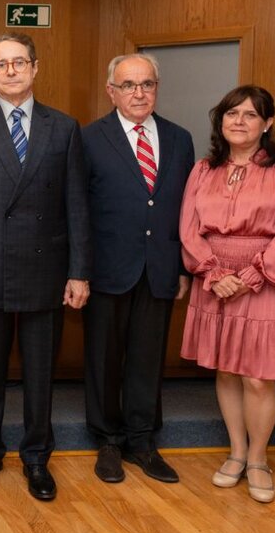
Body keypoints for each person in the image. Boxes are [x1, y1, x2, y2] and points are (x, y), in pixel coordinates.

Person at [0, 32, 91, 501]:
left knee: (40, 372)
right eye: (1, 64)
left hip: (47, 270)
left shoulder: (64, 127)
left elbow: (76, 206)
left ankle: (36, 458)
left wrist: (80, 271)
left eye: (19, 62)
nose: (10, 70)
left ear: (34, 67)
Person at [180, 85, 275, 504]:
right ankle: (236, 452)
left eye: (250, 115)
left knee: (257, 377)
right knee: (226, 371)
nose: (239, 121)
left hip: (265, 283)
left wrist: (252, 276)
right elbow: (188, 228)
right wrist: (214, 273)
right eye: (231, 113)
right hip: (213, 281)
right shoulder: (204, 170)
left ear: (267, 123)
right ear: (221, 120)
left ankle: (258, 458)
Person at [82, 54, 195, 485]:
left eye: (146, 84)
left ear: (156, 88)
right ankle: (108, 440)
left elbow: (186, 209)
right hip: (106, 268)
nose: (138, 93)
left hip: (161, 267)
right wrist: (79, 270)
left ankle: (143, 442)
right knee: (105, 358)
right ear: (111, 90)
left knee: (148, 359)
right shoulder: (90, 138)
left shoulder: (179, 138)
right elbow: (79, 208)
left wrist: (183, 265)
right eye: (128, 85)